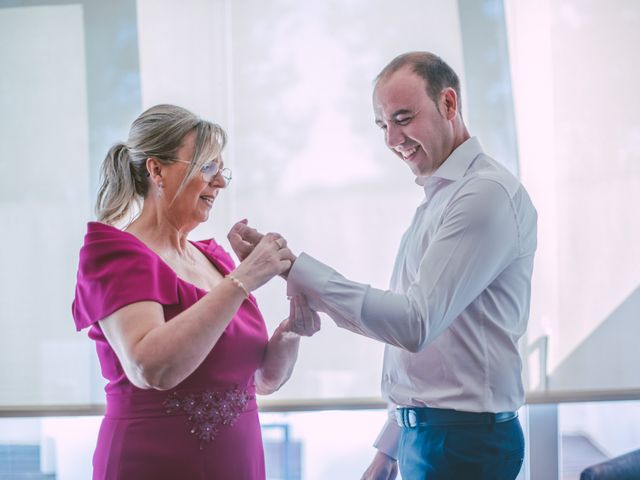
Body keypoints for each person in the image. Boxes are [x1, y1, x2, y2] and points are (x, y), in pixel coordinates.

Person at [229, 52, 537, 479]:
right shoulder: (439, 201)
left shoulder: (484, 195)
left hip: (464, 443)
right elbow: (433, 357)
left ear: (449, 104)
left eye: (403, 118)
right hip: (432, 439)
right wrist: (390, 450)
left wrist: (293, 268)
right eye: (383, 125)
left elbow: (414, 324)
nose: (393, 138)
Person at [72, 104, 320, 480]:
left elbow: (261, 381)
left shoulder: (214, 259)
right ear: (156, 170)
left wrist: (291, 330)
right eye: (207, 167)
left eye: (222, 171)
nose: (219, 182)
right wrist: (244, 279)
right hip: (153, 464)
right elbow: (150, 367)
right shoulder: (114, 253)